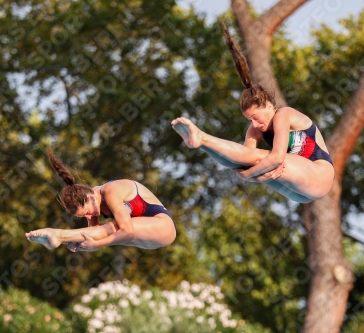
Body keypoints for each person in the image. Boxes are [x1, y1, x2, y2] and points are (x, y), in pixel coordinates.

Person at [171, 22, 334, 203]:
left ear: (269, 106)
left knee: (266, 158)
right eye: (249, 119)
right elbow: (244, 161)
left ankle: (202, 138)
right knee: (250, 161)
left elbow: (277, 157)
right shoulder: (255, 130)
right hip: (297, 193)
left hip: (320, 177)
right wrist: (248, 174)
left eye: (255, 117)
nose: (254, 124)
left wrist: (247, 176)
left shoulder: (283, 114)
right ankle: (200, 142)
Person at [25, 149, 176, 251]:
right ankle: (58, 238)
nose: (89, 216)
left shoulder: (110, 191)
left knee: (112, 228)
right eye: (83, 216)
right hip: (143, 236)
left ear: (90, 197)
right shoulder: (93, 202)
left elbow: (127, 231)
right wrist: (78, 241)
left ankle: (58, 234)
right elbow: (93, 232)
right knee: (103, 230)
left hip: (163, 227)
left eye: (87, 212)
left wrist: (98, 244)